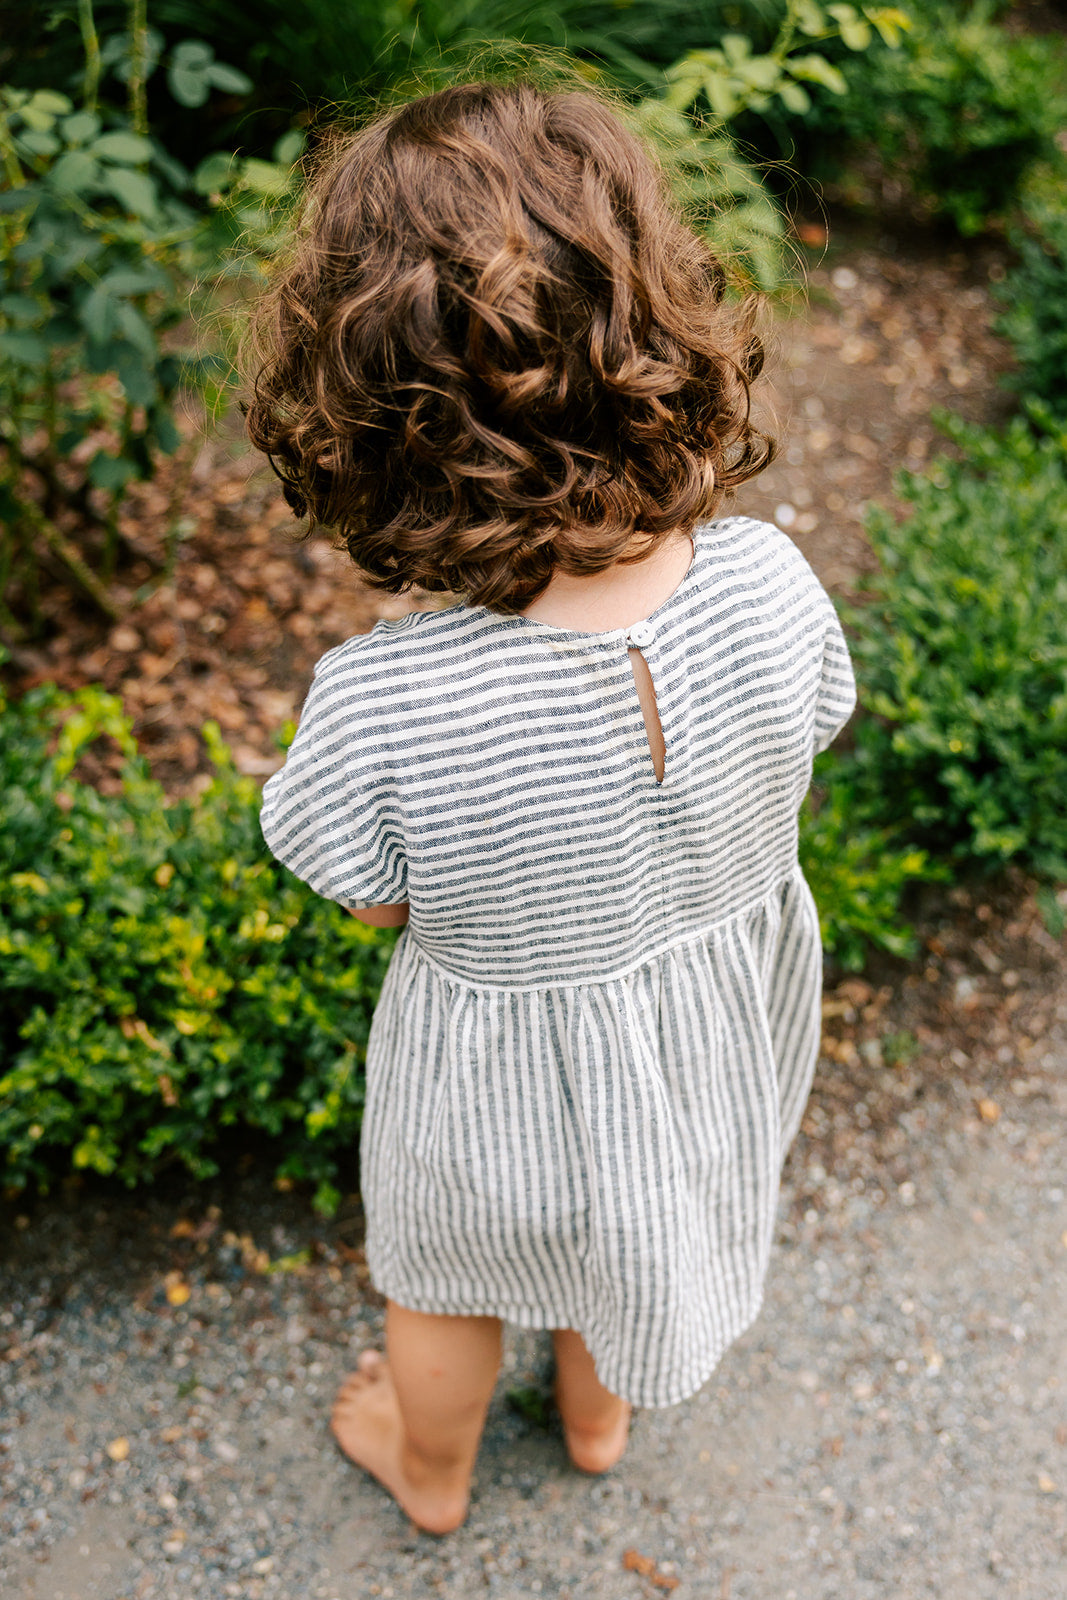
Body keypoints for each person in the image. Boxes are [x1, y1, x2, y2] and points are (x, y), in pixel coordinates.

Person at [243, 78, 856, 1536]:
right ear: (660, 318)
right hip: (696, 1044)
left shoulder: (388, 698)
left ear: (369, 417)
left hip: (487, 1087)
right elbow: (804, 735)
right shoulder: (771, 583)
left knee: (445, 1284)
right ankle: (596, 1415)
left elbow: (376, 891)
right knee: (629, 1224)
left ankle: (431, 1470)